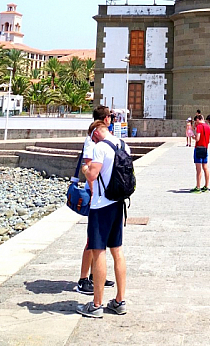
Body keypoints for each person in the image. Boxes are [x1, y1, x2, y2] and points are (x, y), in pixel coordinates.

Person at [75, 120, 131, 318]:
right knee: (117, 250)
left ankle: (96, 304)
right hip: (119, 203)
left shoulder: (100, 147)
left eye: (91, 136)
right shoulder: (123, 144)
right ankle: (119, 301)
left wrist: (85, 169)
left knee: (98, 252)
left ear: (95, 133)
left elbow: (92, 175)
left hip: (101, 204)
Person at [75, 106, 117, 296]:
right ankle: (83, 279)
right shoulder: (93, 140)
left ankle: (95, 276)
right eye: (110, 116)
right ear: (105, 119)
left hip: (102, 196)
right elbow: (89, 167)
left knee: (100, 241)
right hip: (95, 196)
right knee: (91, 241)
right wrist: (93, 194)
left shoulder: (101, 139)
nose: (112, 119)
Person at [191, 113, 210, 192]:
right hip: (205, 148)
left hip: (198, 148)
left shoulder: (199, 127)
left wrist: (193, 137)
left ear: (198, 120)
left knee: (198, 169)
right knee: (205, 167)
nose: (195, 124)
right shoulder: (208, 127)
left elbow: (197, 138)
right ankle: (206, 186)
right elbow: (209, 140)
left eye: (195, 122)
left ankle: (198, 186)